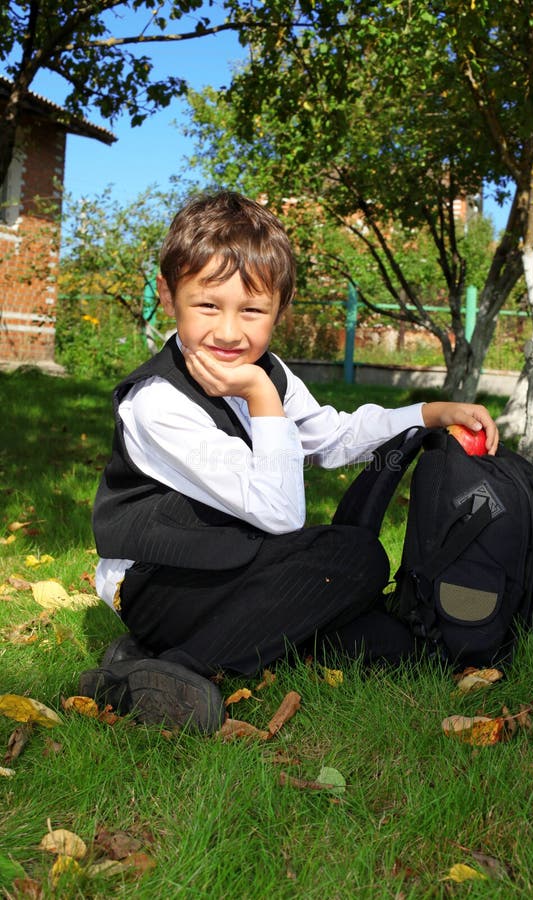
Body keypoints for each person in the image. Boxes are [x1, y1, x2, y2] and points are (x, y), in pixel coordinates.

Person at [79, 191, 499, 732]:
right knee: (357, 558)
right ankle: (167, 671)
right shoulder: (158, 402)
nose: (229, 332)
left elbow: (336, 438)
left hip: (233, 563)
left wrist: (430, 411)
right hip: (158, 582)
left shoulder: (270, 372)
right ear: (169, 296)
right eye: (208, 305)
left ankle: (145, 655)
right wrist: (258, 394)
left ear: (280, 309)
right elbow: (280, 513)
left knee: (389, 644)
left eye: (252, 310)